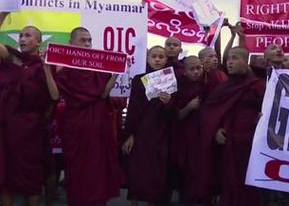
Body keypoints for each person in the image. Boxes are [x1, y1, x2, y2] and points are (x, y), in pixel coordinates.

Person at [54, 27, 123, 206]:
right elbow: (55, 95)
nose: (87, 44)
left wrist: (117, 72)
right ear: (71, 44)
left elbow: (103, 94)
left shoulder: (98, 67)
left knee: (97, 168)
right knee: (77, 169)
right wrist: (48, 69)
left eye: (89, 40)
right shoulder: (65, 70)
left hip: (98, 125)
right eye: (82, 40)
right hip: (75, 126)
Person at [0, 12, 58, 206]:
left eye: (27, 35)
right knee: (5, 179)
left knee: (31, 180)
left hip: (31, 130)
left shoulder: (45, 65)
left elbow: (54, 97)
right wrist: (2, 15)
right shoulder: (12, 59)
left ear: (38, 42)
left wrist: (46, 68)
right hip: (7, 127)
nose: (22, 39)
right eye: (21, 36)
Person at [200, 47, 265, 206]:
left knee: (248, 185)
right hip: (228, 143)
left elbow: (269, 111)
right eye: (228, 58)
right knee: (229, 182)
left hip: (250, 143)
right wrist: (215, 130)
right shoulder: (224, 87)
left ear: (245, 61)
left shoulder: (257, 86)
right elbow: (210, 111)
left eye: (235, 58)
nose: (229, 62)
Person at [122, 46, 173, 205]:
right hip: (142, 131)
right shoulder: (139, 79)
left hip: (162, 131)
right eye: (154, 56)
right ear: (147, 58)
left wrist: (169, 103)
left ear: (166, 59)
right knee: (137, 170)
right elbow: (134, 108)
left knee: (157, 172)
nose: (157, 59)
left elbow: (176, 112)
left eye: (161, 56)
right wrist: (130, 134)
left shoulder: (171, 79)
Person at [171, 56, 206, 204]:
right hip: (184, 136)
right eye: (192, 69)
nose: (197, 72)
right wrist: (189, 107)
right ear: (184, 72)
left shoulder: (208, 85)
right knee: (185, 169)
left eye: (199, 68)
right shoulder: (178, 88)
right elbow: (177, 115)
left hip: (202, 134)